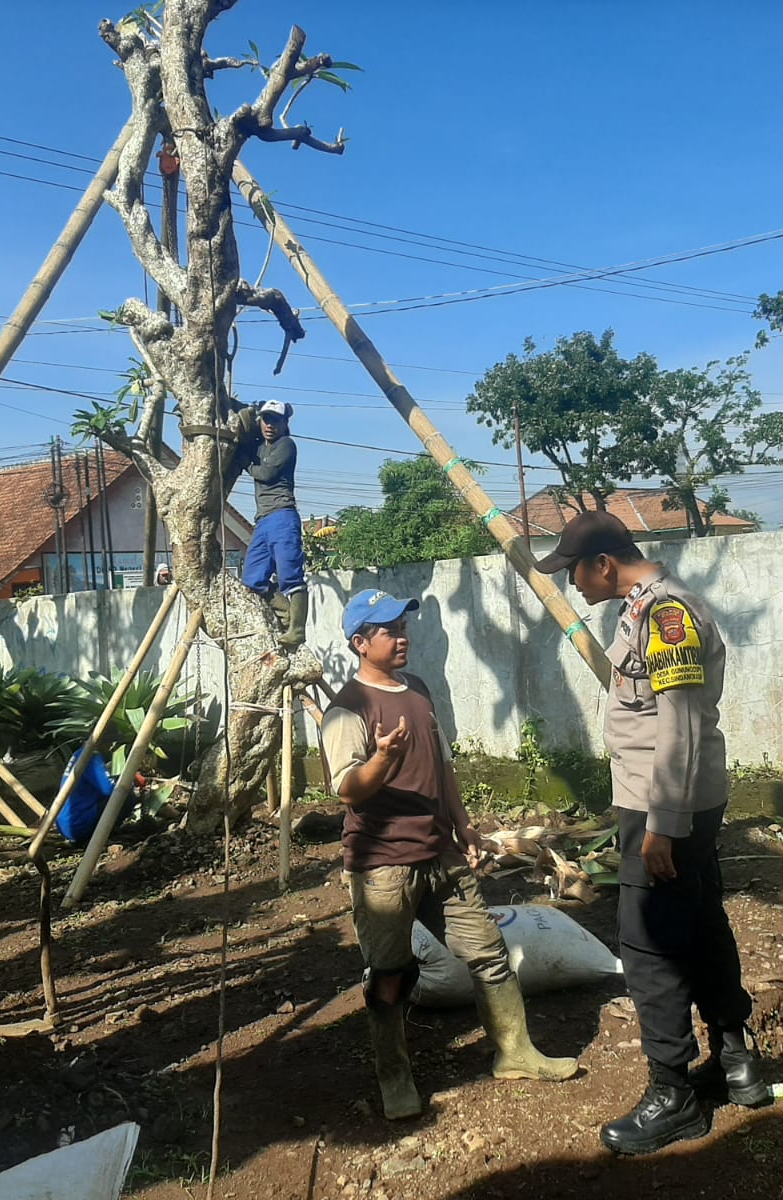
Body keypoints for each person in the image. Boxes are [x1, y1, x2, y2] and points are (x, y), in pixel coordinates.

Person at [533, 511, 769, 1156]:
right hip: (678, 801)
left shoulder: (668, 618)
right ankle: (735, 1060)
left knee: (647, 945)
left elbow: (683, 725)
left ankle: (674, 1095)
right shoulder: (642, 611)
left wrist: (661, 826)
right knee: (699, 921)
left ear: (603, 562)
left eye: (574, 570)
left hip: (665, 806)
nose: (574, 584)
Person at [321, 588, 579, 1119]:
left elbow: (442, 768)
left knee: (488, 954)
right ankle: (395, 1078)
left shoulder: (417, 691)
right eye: (389, 630)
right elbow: (347, 789)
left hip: (442, 856)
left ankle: (514, 1053)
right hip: (384, 867)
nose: (402, 636)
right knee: (391, 974)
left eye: (402, 626)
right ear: (359, 642)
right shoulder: (347, 709)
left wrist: (465, 826)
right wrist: (383, 760)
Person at [235, 399, 307, 648]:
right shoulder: (258, 447)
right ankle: (288, 615)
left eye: (275, 420)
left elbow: (265, 474)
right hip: (263, 520)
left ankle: (297, 630)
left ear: (284, 423)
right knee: (253, 580)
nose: (269, 425)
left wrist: (246, 463)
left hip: (283, 516)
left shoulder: (286, 445)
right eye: (266, 419)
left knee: (290, 576)